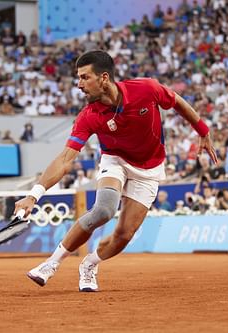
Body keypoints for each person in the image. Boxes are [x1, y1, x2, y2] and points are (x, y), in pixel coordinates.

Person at [14, 50, 217, 292]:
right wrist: (34, 195)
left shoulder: (147, 89)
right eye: (78, 78)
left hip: (150, 167)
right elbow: (66, 159)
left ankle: (90, 264)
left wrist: (203, 130)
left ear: (104, 78)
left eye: (84, 78)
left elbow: (177, 102)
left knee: (124, 234)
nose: (79, 85)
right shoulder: (88, 116)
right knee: (103, 210)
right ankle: (50, 264)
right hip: (115, 160)